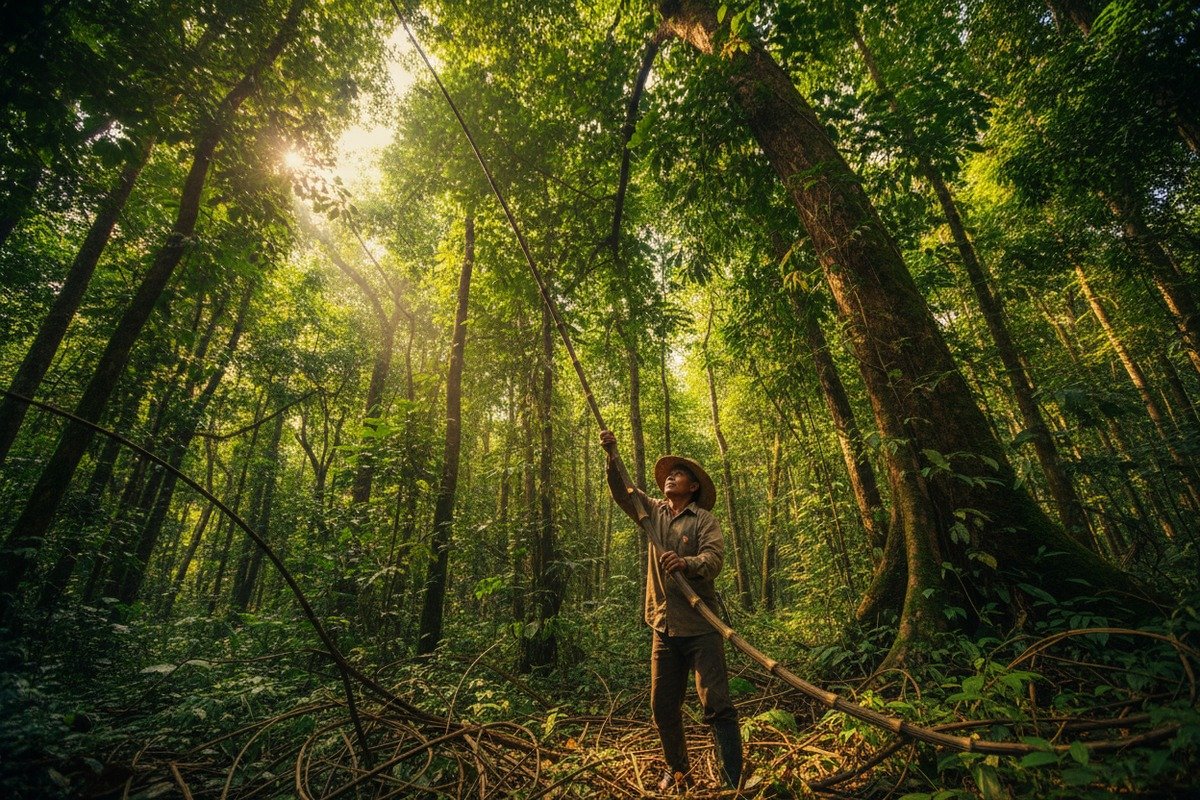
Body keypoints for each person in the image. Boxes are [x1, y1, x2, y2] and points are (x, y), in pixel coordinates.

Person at [599, 429, 743, 792]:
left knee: (717, 704)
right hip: (663, 625)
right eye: (668, 475)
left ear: (692, 487)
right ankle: (678, 771)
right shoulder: (653, 512)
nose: (670, 478)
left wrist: (686, 563)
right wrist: (611, 455)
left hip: (702, 626)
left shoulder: (704, 521)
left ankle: (732, 781)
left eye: (678, 475)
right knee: (662, 706)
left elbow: (713, 560)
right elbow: (622, 492)